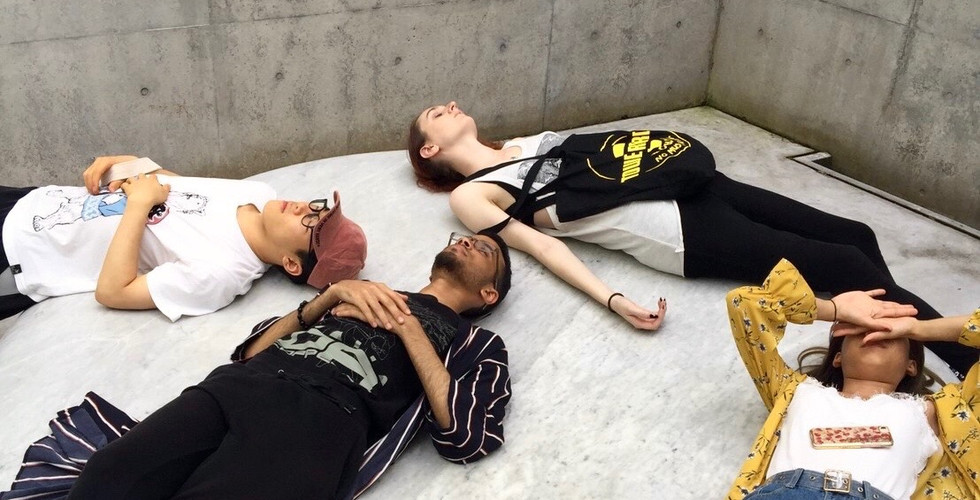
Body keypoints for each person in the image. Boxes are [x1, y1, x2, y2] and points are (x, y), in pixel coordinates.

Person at [407, 101, 973, 378]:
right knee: (844, 263)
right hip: (678, 231)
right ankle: (961, 358)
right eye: (437, 113)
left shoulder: (529, 141)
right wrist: (613, 300)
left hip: (693, 185)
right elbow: (545, 247)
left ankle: (891, 360)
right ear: (429, 149)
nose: (452, 106)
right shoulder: (471, 195)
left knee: (856, 234)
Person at [1, 231, 513, 500]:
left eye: (485, 248)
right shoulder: (366, 290)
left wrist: (408, 328)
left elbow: (467, 437)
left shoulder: (477, 345)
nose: (466, 240)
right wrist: (328, 296)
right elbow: (249, 351)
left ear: (488, 293)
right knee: (109, 476)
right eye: (463, 236)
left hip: (322, 419)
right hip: (242, 384)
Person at [726, 258, 979, 499]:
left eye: (892, 331)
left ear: (911, 365)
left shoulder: (935, 412)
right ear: (838, 357)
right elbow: (743, 302)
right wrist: (830, 309)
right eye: (860, 328)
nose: (876, 331)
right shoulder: (793, 390)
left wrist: (919, 328)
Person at [0, 155, 367, 321]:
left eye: (310, 223)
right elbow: (179, 187)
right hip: (34, 200)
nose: (303, 207)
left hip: (23, 255)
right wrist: (131, 163)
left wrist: (139, 204)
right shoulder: (257, 192)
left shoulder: (221, 274)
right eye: (317, 207)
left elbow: (113, 292)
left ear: (291, 263)